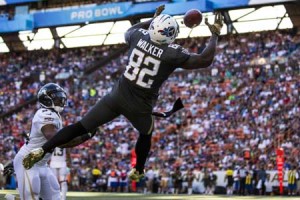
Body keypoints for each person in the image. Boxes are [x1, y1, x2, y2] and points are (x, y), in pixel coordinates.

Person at [23, 5, 224, 182]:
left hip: (116, 97)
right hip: (140, 106)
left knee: (80, 126)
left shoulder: (138, 37)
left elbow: (131, 29)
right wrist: (214, 34)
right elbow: (205, 60)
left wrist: (152, 20)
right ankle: (138, 170)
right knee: (146, 133)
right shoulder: (173, 53)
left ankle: (44, 149)